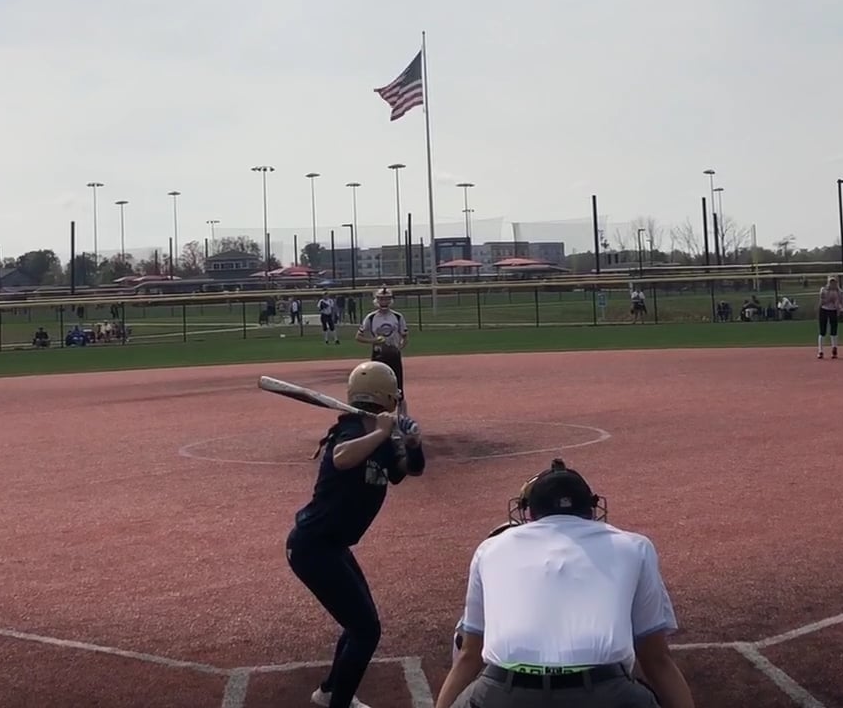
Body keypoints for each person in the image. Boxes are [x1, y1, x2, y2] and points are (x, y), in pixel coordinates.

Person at [435, 459, 694, 708]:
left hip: (505, 694)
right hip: (606, 694)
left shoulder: (490, 549)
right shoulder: (635, 547)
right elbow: (656, 659)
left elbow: (469, 656)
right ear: (591, 510)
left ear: (530, 512)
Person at [286, 361, 425, 708]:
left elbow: (409, 471)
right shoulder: (350, 428)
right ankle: (338, 701)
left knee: (359, 625)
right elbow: (342, 458)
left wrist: (413, 444)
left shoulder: (380, 437)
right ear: (386, 396)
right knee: (366, 630)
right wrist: (380, 433)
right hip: (312, 547)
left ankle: (329, 692)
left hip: (332, 546)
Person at [355, 288, 411, 415]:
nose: (384, 302)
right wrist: (374, 340)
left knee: (398, 388)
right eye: (381, 299)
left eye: (386, 299)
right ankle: (377, 417)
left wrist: (399, 347)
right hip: (378, 355)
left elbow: (405, 337)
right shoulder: (371, 317)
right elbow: (358, 337)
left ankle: (402, 418)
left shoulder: (397, 317)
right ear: (376, 300)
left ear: (391, 300)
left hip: (393, 354)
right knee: (376, 387)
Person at [817, 276, 843, 359]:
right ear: (828, 282)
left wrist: (841, 310)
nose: (832, 283)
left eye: (834, 282)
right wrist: (829, 299)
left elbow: (840, 303)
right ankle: (820, 351)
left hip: (833, 311)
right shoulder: (823, 290)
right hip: (824, 310)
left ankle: (834, 349)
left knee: (834, 330)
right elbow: (821, 302)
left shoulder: (839, 291)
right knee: (822, 331)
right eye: (831, 282)